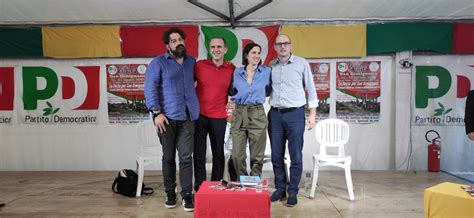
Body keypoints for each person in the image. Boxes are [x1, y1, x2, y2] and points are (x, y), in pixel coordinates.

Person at [144, 27, 199, 212]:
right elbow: (150, 88)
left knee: (185, 157)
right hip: (165, 118)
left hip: (188, 116)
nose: (178, 42)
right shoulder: (158, 63)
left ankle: (187, 194)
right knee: (168, 157)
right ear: (168, 45)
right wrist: (156, 112)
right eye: (173, 40)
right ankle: (170, 192)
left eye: (180, 39)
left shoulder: (192, 62)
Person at [268, 34, 318, 207]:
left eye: (286, 43)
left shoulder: (301, 63)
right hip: (275, 115)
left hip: (295, 115)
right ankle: (280, 188)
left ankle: (293, 191)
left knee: (295, 154)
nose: (282, 47)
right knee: (276, 155)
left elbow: (310, 88)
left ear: (290, 45)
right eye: (279, 44)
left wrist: (312, 114)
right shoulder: (271, 66)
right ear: (274, 47)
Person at [194, 37, 235, 191]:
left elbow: (235, 91)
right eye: (213, 47)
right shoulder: (199, 66)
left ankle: (215, 185)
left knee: (218, 153)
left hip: (220, 116)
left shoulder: (232, 69)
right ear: (209, 49)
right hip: (200, 115)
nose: (216, 49)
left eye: (219, 46)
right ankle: (200, 185)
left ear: (225, 49)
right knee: (199, 153)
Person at [229, 43, 271, 178]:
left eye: (259, 53)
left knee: (257, 155)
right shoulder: (236, 72)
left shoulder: (266, 72)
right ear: (246, 55)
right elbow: (231, 90)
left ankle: (254, 180)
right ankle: (243, 180)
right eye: (254, 53)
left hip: (257, 112)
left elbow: (268, 90)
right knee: (237, 155)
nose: (257, 56)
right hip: (240, 112)